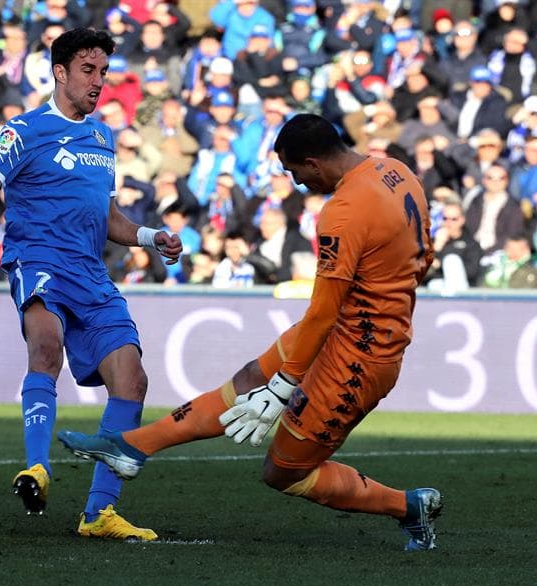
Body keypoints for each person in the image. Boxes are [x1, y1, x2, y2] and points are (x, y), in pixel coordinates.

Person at [58, 114, 443, 552]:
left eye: (294, 172)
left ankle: (408, 507)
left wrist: (284, 387)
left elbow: (323, 308)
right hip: (347, 327)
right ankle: (132, 447)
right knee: (245, 382)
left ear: (313, 163)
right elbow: (424, 252)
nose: (297, 183)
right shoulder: (396, 171)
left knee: (283, 471)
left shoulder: (344, 211)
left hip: (361, 353)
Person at [0, 28, 181, 540]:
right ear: (60, 72)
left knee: (133, 379)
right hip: (38, 258)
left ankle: (98, 514)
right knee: (46, 346)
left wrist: (151, 237)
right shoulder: (23, 130)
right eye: (88, 70)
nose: (98, 81)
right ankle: (36, 466)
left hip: (90, 271)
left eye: (104, 71)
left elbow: (109, 219)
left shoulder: (102, 138)